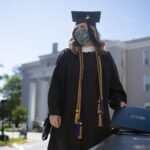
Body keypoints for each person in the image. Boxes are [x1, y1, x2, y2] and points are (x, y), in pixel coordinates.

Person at [47, 11, 127, 150]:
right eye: (76, 28)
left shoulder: (104, 57)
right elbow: (55, 86)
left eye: (82, 27)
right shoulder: (67, 56)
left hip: (96, 121)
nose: (78, 30)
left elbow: (115, 88)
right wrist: (54, 111)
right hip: (67, 119)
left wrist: (118, 101)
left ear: (92, 29)